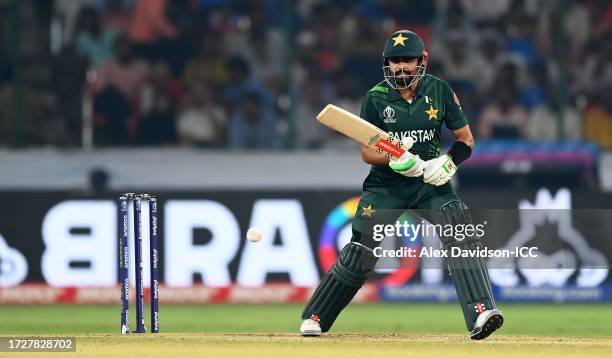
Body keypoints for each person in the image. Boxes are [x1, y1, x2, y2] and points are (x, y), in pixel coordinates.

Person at [299, 30, 503, 340]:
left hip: (429, 183)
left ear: (422, 61)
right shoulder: (376, 97)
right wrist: (393, 158)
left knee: (458, 227)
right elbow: (367, 150)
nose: (400, 68)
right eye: (394, 62)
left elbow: (466, 140)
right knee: (362, 250)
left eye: (407, 60)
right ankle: (316, 316)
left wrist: (447, 164)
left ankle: (481, 312)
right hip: (385, 186)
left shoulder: (440, 91)